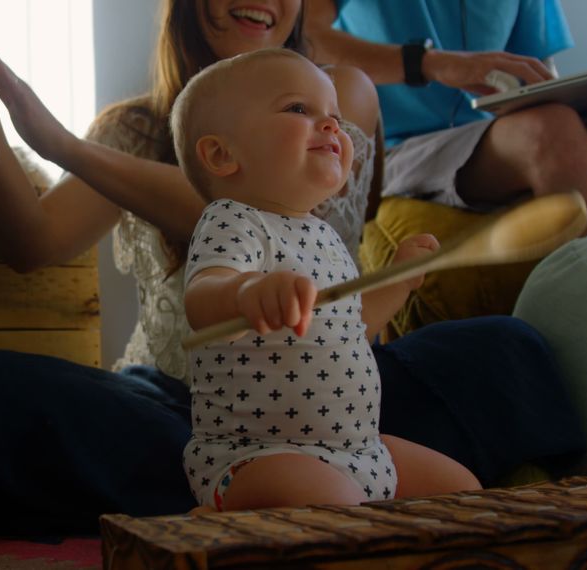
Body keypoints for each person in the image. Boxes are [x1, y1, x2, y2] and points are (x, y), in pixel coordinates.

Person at [0, 0, 583, 535]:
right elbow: (32, 242)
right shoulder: (138, 130)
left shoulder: (341, 99)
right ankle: (253, 498)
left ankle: (287, 501)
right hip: (189, 412)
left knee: (507, 349)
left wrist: (393, 281)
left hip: (341, 405)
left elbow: (320, 264)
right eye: (300, 111)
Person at [175, 48, 479, 511]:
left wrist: (397, 282)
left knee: (463, 492)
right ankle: (221, 519)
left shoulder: (324, 235)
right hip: (260, 458)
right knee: (334, 508)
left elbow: (353, 325)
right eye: (299, 109)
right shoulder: (234, 220)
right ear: (222, 154)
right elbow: (202, 300)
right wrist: (247, 293)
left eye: (335, 116)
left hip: (360, 452)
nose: (332, 126)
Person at [303, 0, 587, 235]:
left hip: (493, 134)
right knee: (548, 131)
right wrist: (430, 64)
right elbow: (309, 36)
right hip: (400, 147)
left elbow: (538, 74)